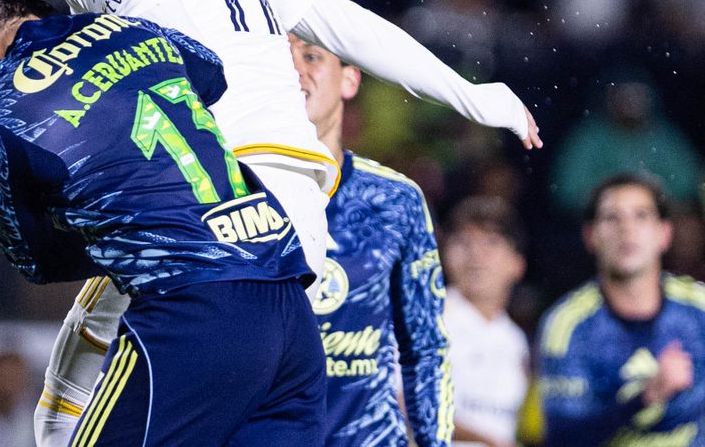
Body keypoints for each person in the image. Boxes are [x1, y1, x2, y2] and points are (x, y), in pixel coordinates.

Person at [0, 0, 540, 443]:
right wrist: (472, 95)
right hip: (297, 220)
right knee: (98, 339)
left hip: (220, 198)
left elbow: (166, 53)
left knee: (82, 361)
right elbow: (346, 21)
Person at [0, 0, 325, 446]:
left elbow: (39, 262)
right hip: (288, 301)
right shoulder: (133, 29)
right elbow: (210, 74)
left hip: (192, 315)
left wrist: (115, 216)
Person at [289, 36, 452, 447]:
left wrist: (435, 443)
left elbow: (427, 346)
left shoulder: (396, 200)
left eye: (311, 56)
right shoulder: (233, 190)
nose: (294, 70)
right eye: (280, 59)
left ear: (350, 79)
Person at [537, 173, 705, 446]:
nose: (627, 229)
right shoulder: (567, 325)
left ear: (664, 234)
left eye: (641, 215)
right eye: (612, 217)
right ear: (590, 236)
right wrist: (647, 396)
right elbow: (562, 437)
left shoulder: (699, 307)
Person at [442, 196, 529, 447]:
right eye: (463, 242)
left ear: (517, 263)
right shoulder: (425, 317)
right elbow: (398, 402)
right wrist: (489, 441)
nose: (476, 255)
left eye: (491, 243)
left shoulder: (515, 339)